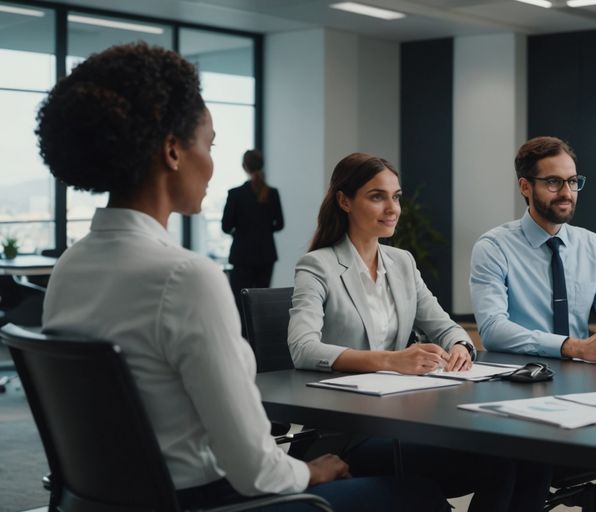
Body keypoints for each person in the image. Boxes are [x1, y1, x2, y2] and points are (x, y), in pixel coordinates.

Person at [36, 43, 446, 511]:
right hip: (209, 503)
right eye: (208, 145)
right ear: (173, 150)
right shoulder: (186, 277)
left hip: (109, 502)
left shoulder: (71, 267)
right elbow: (256, 469)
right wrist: (312, 471)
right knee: (420, 497)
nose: (212, 165)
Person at [288, 151, 549, 511]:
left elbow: (445, 326)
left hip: (404, 421)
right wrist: (392, 361)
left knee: (527, 457)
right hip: (347, 435)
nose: (392, 208)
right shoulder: (317, 266)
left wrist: (459, 345)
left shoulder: (402, 263)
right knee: (500, 461)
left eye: (395, 197)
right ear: (344, 201)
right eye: (377, 196)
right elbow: (303, 348)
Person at [469, 136, 596, 511]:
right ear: (526, 186)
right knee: (529, 462)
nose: (566, 192)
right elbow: (493, 328)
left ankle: (588, 500)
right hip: (519, 393)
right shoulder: (493, 247)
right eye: (553, 182)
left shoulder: (590, 245)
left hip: (583, 389)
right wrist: (573, 346)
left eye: (573, 181)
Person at [222, 149, 284, 312]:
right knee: (261, 304)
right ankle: (258, 338)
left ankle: (242, 338)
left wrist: (240, 232)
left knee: (240, 305)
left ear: (244, 167)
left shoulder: (235, 194)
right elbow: (280, 224)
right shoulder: (272, 193)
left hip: (242, 256)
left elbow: (225, 226)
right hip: (266, 255)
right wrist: (263, 230)